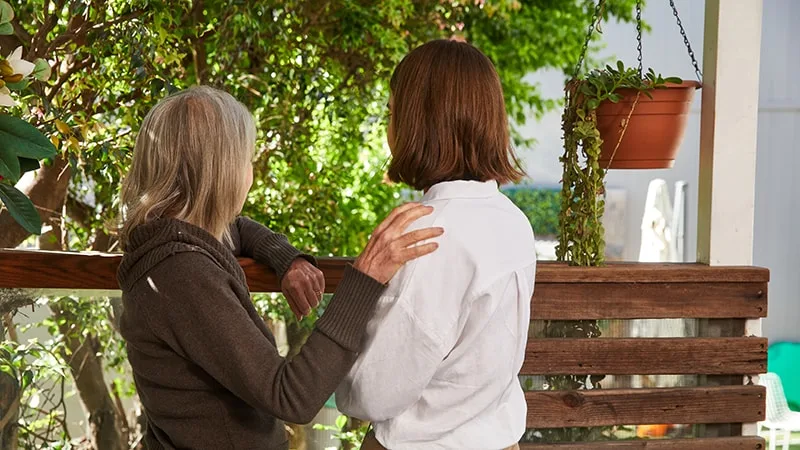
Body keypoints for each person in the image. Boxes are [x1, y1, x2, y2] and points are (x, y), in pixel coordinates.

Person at [116, 86, 444, 449]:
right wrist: (365, 278)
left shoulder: (174, 239)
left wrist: (287, 259)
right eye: (247, 160)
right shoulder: (182, 273)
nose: (250, 174)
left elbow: (237, 229)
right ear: (220, 171)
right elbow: (292, 397)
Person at [335, 39, 537, 450]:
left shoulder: (428, 238)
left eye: (392, 113)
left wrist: (343, 377)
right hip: (500, 438)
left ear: (417, 123)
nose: (388, 126)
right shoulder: (512, 221)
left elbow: (374, 393)